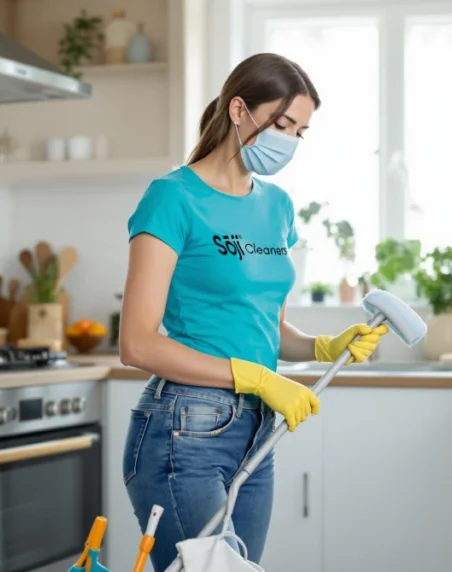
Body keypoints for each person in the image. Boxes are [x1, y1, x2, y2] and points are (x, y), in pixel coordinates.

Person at [118, 52, 390, 570]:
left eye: (301, 131)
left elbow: (270, 326)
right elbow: (138, 343)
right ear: (238, 109)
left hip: (256, 429)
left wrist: (322, 347)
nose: (289, 140)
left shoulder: (278, 206)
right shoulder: (172, 198)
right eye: (283, 123)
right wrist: (256, 378)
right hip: (185, 429)